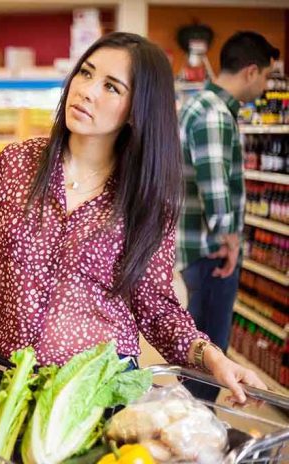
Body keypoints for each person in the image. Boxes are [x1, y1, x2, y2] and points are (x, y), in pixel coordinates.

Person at [0, 32, 266, 447]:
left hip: (97, 396)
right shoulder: (17, 164)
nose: (88, 90)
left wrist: (212, 357)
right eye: (87, 73)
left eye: (112, 87)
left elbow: (154, 304)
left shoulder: (148, 198)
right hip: (6, 384)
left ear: (137, 109)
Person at [177, 31, 279, 403]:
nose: (266, 85)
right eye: (267, 76)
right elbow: (215, 191)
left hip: (198, 249)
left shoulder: (197, 104)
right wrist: (231, 244)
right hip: (212, 254)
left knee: (199, 349)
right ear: (251, 71)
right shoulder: (214, 113)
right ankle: (197, 437)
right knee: (210, 355)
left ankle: (193, 425)